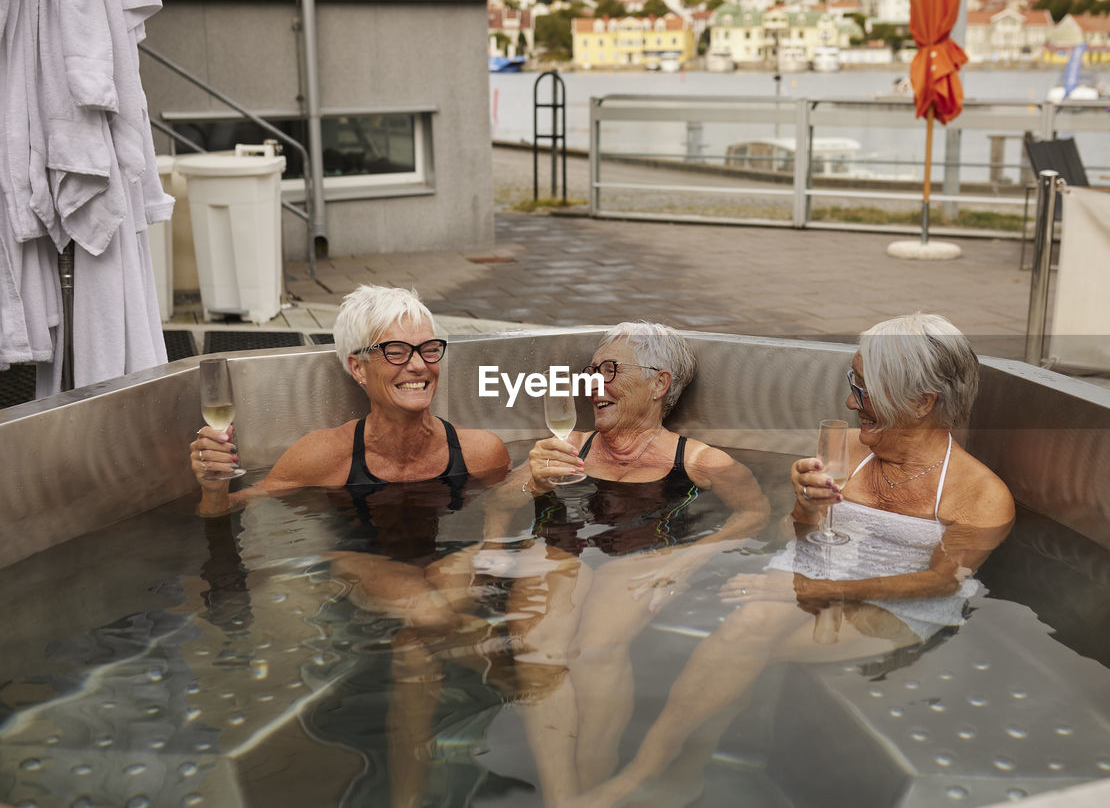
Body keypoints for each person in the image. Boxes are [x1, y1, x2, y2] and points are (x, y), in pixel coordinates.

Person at [574, 313, 1015, 806]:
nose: (851, 401)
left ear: (921, 402)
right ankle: (671, 774)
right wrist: (806, 506)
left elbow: (939, 581)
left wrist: (818, 591)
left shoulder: (979, 496)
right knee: (746, 632)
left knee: (746, 647)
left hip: (902, 601)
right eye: (854, 382)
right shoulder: (844, 448)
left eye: (864, 389)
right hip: (807, 573)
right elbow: (791, 533)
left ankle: (644, 776)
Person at [493, 321, 770, 797]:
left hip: (640, 556)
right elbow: (499, 502)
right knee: (542, 649)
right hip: (563, 553)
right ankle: (562, 800)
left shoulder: (701, 462)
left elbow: (755, 514)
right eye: (591, 371)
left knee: (596, 651)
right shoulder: (567, 447)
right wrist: (525, 495)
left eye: (610, 370)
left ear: (660, 383)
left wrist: (688, 558)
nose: (593, 383)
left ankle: (592, 793)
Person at [190, 284, 511, 516]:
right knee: (428, 611)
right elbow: (228, 510)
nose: (419, 365)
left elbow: (508, 506)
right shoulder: (323, 456)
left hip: (448, 565)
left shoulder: (481, 453)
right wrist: (214, 490)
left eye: (428, 350)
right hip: (359, 572)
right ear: (358, 367)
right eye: (395, 352)